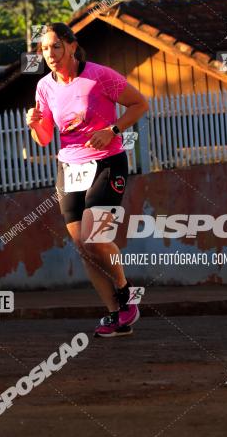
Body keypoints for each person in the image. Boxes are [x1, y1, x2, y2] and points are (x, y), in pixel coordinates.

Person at [25, 23, 149, 338]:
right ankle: (116, 315)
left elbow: (140, 104)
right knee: (83, 246)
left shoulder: (99, 75)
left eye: (55, 46)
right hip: (69, 169)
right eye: (43, 49)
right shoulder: (44, 87)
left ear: (71, 45)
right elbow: (43, 139)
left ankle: (126, 293)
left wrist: (113, 130)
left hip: (107, 162)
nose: (49, 54)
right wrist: (34, 124)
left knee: (95, 236)